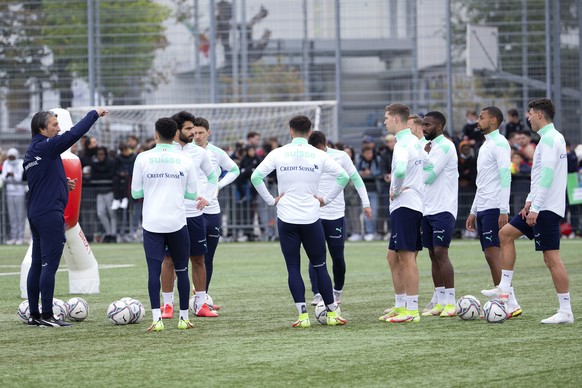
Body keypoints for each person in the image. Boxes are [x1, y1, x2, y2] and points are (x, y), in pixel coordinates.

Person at [251, 115, 349, 327]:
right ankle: (332, 313)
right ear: (310, 131)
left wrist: (271, 200)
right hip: (311, 217)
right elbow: (344, 177)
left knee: (293, 267)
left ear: (291, 131)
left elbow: (255, 177)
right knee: (320, 265)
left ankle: (302, 315)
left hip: (286, 218)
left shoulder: (278, 153)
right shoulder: (318, 154)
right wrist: (325, 199)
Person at [482, 98, 574, 324]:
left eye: (530, 113)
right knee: (505, 234)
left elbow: (549, 176)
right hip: (539, 206)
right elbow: (542, 175)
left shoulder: (551, 139)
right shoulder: (547, 139)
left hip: (547, 209)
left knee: (551, 258)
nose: (528, 117)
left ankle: (565, 311)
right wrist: (530, 201)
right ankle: (504, 287)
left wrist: (538, 206)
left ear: (540, 115)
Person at [23, 107, 107, 327]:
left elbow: (41, 181)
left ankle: (34, 314)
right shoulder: (47, 146)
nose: (59, 129)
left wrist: (63, 184)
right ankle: (49, 316)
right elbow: (74, 134)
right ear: (42, 128)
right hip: (50, 214)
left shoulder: (33, 150)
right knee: (49, 265)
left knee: (38, 264)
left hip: (36, 212)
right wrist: (94, 114)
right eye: (54, 125)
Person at [131, 117, 199, 332]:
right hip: (177, 222)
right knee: (182, 270)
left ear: (155, 134)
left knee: (154, 272)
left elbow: (135, 193)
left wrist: (153, 189)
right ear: (176, 135)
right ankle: (184, 319)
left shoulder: (142, 158)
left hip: (152, 223)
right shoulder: (185, 159)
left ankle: (156, 320)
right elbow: (192, 193)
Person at [159, 111, 218, 319]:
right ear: (177, 131)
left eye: (194, 128)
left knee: (199, 259)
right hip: (172, 215)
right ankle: (167, 306)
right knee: (169, 261)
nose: (193, 132)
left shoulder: (199, 153)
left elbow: (213, 177)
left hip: (194, 215)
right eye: (188, 129)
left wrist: (208, 197)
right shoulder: (164, 153)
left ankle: (201, 304)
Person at [464, 106, 522, 319]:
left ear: (494, 121)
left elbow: (505, 176)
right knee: (489, 254)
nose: (478, 121)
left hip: (495, 206)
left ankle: (508, 302)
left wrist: (504, 208)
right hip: (484, 206)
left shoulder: (500, 143)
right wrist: (473, 210)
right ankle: (505, 300)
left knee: (493, 252)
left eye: (482, 117)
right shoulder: (485, 145)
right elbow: (483, 182)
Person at [307, 130, 372, 306]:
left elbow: (356, 179)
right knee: (316, 256)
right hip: (313, 215)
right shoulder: (308, 157)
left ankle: (337, 292)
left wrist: (366, 203)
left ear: (325, 144)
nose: (317, 153)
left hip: (335, 215)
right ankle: (318, 294)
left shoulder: (341, 157)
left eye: (320, 149)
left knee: (337, 257)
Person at [379, 103, 424, 324]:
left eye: (386, 118)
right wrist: (417, 186)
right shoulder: (415, 142)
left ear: (396, 119)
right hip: (411, 204)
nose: (384, 121)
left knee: (406, 258)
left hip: (405, 204)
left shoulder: (403, 144)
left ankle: (412, 310)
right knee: (393, 257)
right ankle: (400, 305)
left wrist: (396, 190)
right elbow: (430, 167)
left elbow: (399, 170)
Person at [192, 116, 240, 306]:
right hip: (191, 211)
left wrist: (219, 185)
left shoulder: (216, 153)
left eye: (201, 133)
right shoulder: (187, 153)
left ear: (208, 133)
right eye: (194, 133)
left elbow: (235, 170)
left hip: (212, 211)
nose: (197, 136)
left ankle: (203, 299)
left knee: (207, 257)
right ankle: (174, 300)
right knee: (183, 257)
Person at [418, 111, 459, 318]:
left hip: (443, 207)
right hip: (427, 208)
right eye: (423, 124)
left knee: (441, 252)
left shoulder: (445, 146)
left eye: (427, 125)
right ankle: (441, 301)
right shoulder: (430, 146)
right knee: (432, 254)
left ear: (439, 127)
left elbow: (429, 175)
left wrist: (420, 158)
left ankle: (451, 302)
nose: (423, 128)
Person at [90, 146, 117, 242]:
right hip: (100, 191)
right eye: (98, 154)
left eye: (102, 154)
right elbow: (93, 176)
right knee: (100, 213)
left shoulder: (110, 162)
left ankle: (113, 234)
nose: (100, 156)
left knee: (112, 213)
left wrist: (99, 174)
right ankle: (108, 232)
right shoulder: (95, 163)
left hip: (109, 191)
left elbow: (111, 175)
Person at [356, 144, 381, 241]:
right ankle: (369, 232)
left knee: (374, 212)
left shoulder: (377, 160)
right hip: (363, 191)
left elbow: (380, 172)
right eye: (366, 153)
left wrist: (371, 173)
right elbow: (355, 172)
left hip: (374, 190)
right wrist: (361, 173)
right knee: (365, 213)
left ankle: (373, 232)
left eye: (370, 153)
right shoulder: (360, 161)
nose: (368, 155)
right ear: (363, 154)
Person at [1, 148, 26, 245]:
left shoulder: (20, 162)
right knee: (12, 216)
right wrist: (8, 176)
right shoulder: (6, 163)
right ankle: (13, 236)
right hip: (9, 192)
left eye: (13, 157)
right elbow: (3, 176)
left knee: (20, 216)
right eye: (10, 157)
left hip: (20, 192)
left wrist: (12, 175)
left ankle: (20, 237)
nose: (11, 159)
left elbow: (20, 178)